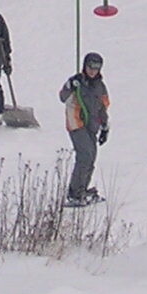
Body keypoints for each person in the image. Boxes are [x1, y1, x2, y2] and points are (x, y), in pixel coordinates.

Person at [59, 52, 109, 206]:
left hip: (91, 126)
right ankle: (74, 193)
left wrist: (105, 126)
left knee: (91, 156)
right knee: (85, 155)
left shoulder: (100, 86)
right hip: (76, 123)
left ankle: (82, 189)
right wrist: (70, 85)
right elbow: (62, 97)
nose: (93, 70)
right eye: (90, 67)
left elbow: (102, 107)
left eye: (96, 67)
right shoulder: (77, 82)